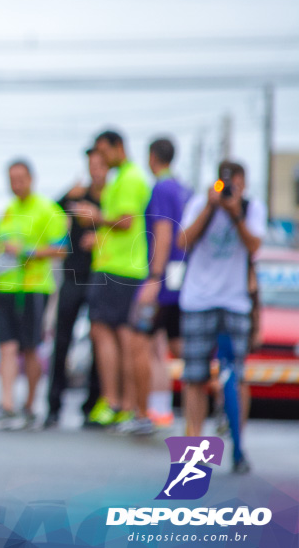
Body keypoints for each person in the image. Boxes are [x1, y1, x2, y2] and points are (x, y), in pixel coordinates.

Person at [177, 160, 264, 473]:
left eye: (234, 185)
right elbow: (182, 242)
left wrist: (234, 212)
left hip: (234, 301)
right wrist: (211, 209)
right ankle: (193, 452)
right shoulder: (200, 203)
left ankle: (238, 448)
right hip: (198, 299)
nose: (228, 189)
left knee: (236, 375)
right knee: (195, 376)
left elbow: (254, 246)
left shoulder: (252, 208)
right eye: (224, 183)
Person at [72, 130, 151, 428]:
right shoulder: (122, 177)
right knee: (114, 336)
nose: (101, 159)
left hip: (120, 269)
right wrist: (99, 234)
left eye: (104, 152)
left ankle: (119, 402)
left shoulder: (130, 178)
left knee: (113, 336)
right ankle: (122, 403)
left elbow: (126, 221)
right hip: (116, 265)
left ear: (118, 147)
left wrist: (96, 216)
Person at [0, 160, 67, 431]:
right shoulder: (7, 211)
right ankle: (7, 405)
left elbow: (61, 249)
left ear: (32, 178)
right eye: (11, 178)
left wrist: (28, 250)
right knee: (6, 346)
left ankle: (30, 406)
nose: (16, 183)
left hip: (34, 288)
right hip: (7, 288)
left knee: (31, 347)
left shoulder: (48, 209)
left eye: (20, 177)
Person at [122, 138, 191, 435]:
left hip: (162, 282)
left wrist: (154, 277)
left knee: (137, 342)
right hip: (183, 277)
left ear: (152, 157)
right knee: (182, 349)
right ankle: (216, 406)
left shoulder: (161, 188)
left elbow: (163, 232)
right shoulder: (184, 188)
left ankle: (142, 414)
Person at [45, 148, 106, 429]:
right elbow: (51, 211)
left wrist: (100, 238)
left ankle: (93, 405)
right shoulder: (76, 195)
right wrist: (69, 192)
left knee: (99, 341)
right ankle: (53, 406)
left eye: (100, 165)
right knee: (62, 340)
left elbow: (125, 228)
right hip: (72, 275)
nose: (95, 170)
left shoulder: (109, 199)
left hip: (100, 277)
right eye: (91, 165)